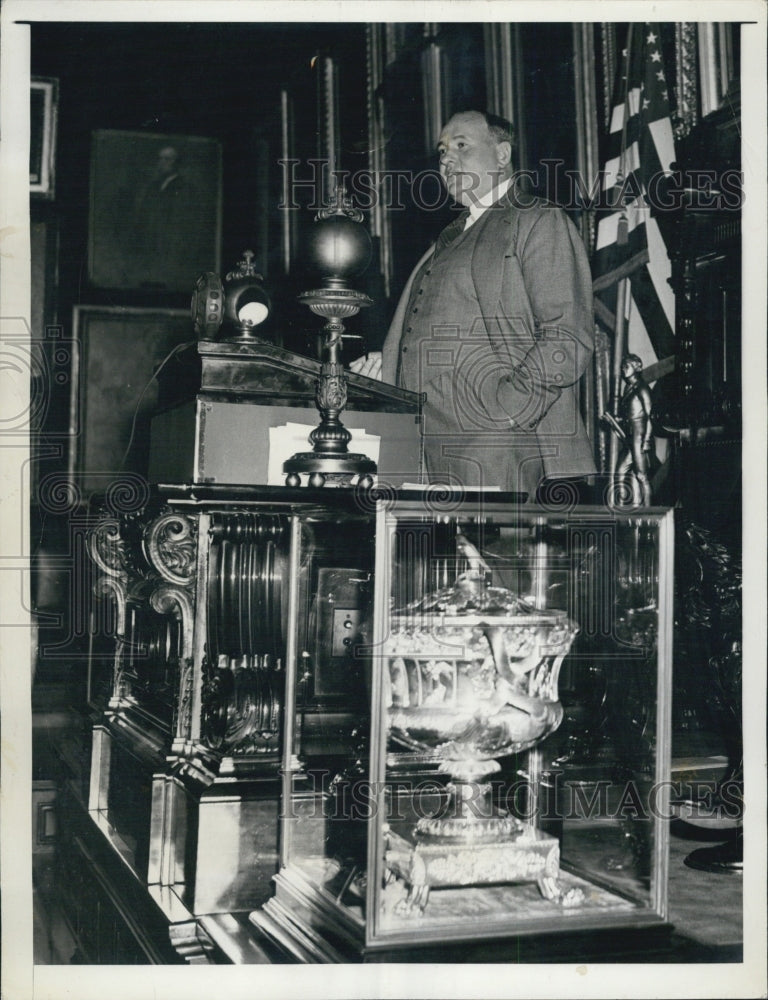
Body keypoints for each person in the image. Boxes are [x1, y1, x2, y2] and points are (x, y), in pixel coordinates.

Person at [350, 110, 596, 496]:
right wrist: (390, 369)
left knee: (497, 558)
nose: (447, 160)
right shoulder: (448, 238)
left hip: (501, 452)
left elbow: (567, 338)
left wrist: (507, 411)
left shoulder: (538, 219)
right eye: (443, 151)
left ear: (502, 155)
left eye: (462, 146)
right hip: (426, 452)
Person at [601, 354, 654, 506]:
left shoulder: (643, 388)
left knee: (642, 476)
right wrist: (615, 420)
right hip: (630, 436)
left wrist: (647, 440)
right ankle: (634, 509)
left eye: (627, 366)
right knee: (622, 472)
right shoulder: (628, 388)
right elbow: (629, 414)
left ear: (637, 367)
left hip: (640, 435)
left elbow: (651, 416)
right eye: (622, 367)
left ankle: (648, 513)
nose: (623, 369)